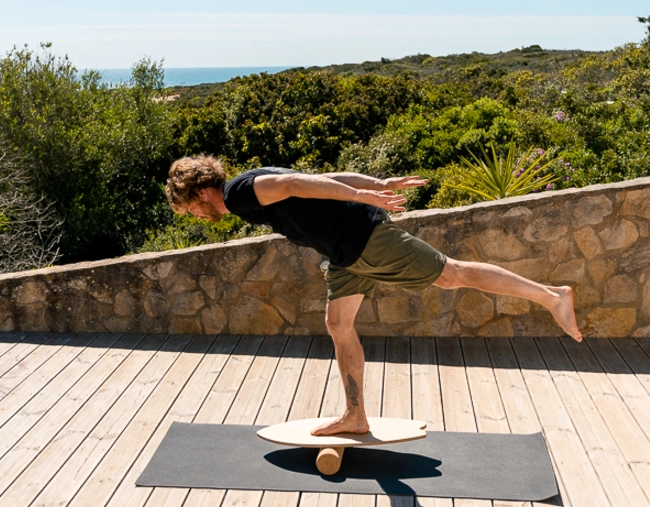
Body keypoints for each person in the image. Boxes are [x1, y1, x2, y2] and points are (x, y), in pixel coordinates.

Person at [165, 155, 582, 436]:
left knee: (451, 275)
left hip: (364, 239)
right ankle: (355, 415)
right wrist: (373, 183)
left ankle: (551, 296)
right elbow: (319, 181)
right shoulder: (249, 182)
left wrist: (361, 195)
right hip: (345, 255)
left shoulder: (239, 194)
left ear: (200, 192)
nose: (197, 216)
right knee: (337, 323)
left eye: (190, 209)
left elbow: (295, 181)